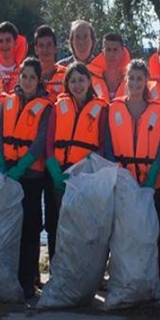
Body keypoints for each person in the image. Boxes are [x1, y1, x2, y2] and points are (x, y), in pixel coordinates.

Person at [105, 59, 160, 275]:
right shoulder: (114, 107)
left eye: (140, 79)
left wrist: (152, 174)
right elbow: (108, 143)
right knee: (123, 231)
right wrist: (120, 171)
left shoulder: (158, 109)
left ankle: (156, 279)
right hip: (123, 180)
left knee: (154, 230)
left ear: (147, 81)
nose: (135, 83)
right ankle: (124, 277)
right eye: (131, 78)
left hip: (153, 180)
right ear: (126, 79)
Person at [0, 57, 52, 297]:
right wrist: (0, 161)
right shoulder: (8, 102)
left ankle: (28, 281)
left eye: (32, 77)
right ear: (19, 77)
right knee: (9, 227)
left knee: (31, 227)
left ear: (38, 79)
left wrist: (23, 165)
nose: (28, 81)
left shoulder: (45, 106)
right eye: (24, 76)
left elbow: (41, 141)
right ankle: (9, 278)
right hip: (8, 171)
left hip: (31, 174)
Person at [45, 62, 108, 246]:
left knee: (82, 227)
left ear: (89, 82)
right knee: (57, 224)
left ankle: (83, 272)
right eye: (73, 81)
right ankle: (58, 270)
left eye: (81, 80)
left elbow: (103, 146)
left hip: (85, 177)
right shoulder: (59, 106)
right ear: (67, 84)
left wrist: (84, 172)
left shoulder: (101, 109)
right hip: (59, 174)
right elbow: (49, 143)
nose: (77, 85)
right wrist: (55, 172)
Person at [0, 21, 27, 93]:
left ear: (15, 43)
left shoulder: (24, 71)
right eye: (1, 41)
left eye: (8, 40)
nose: (4, 45)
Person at [90, 32, 130, 101]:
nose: (112, 54)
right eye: (108, 50)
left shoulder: (132, 81)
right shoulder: (90, 80)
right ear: (103, 53)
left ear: (123, 52)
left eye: (115, 50)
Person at [33, 25, 66, 96]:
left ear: (55, 48)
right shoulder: (27, 75)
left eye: (49, 45)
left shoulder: (67, 75)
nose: (45, 49)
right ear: (36, 50)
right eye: (41, 45)